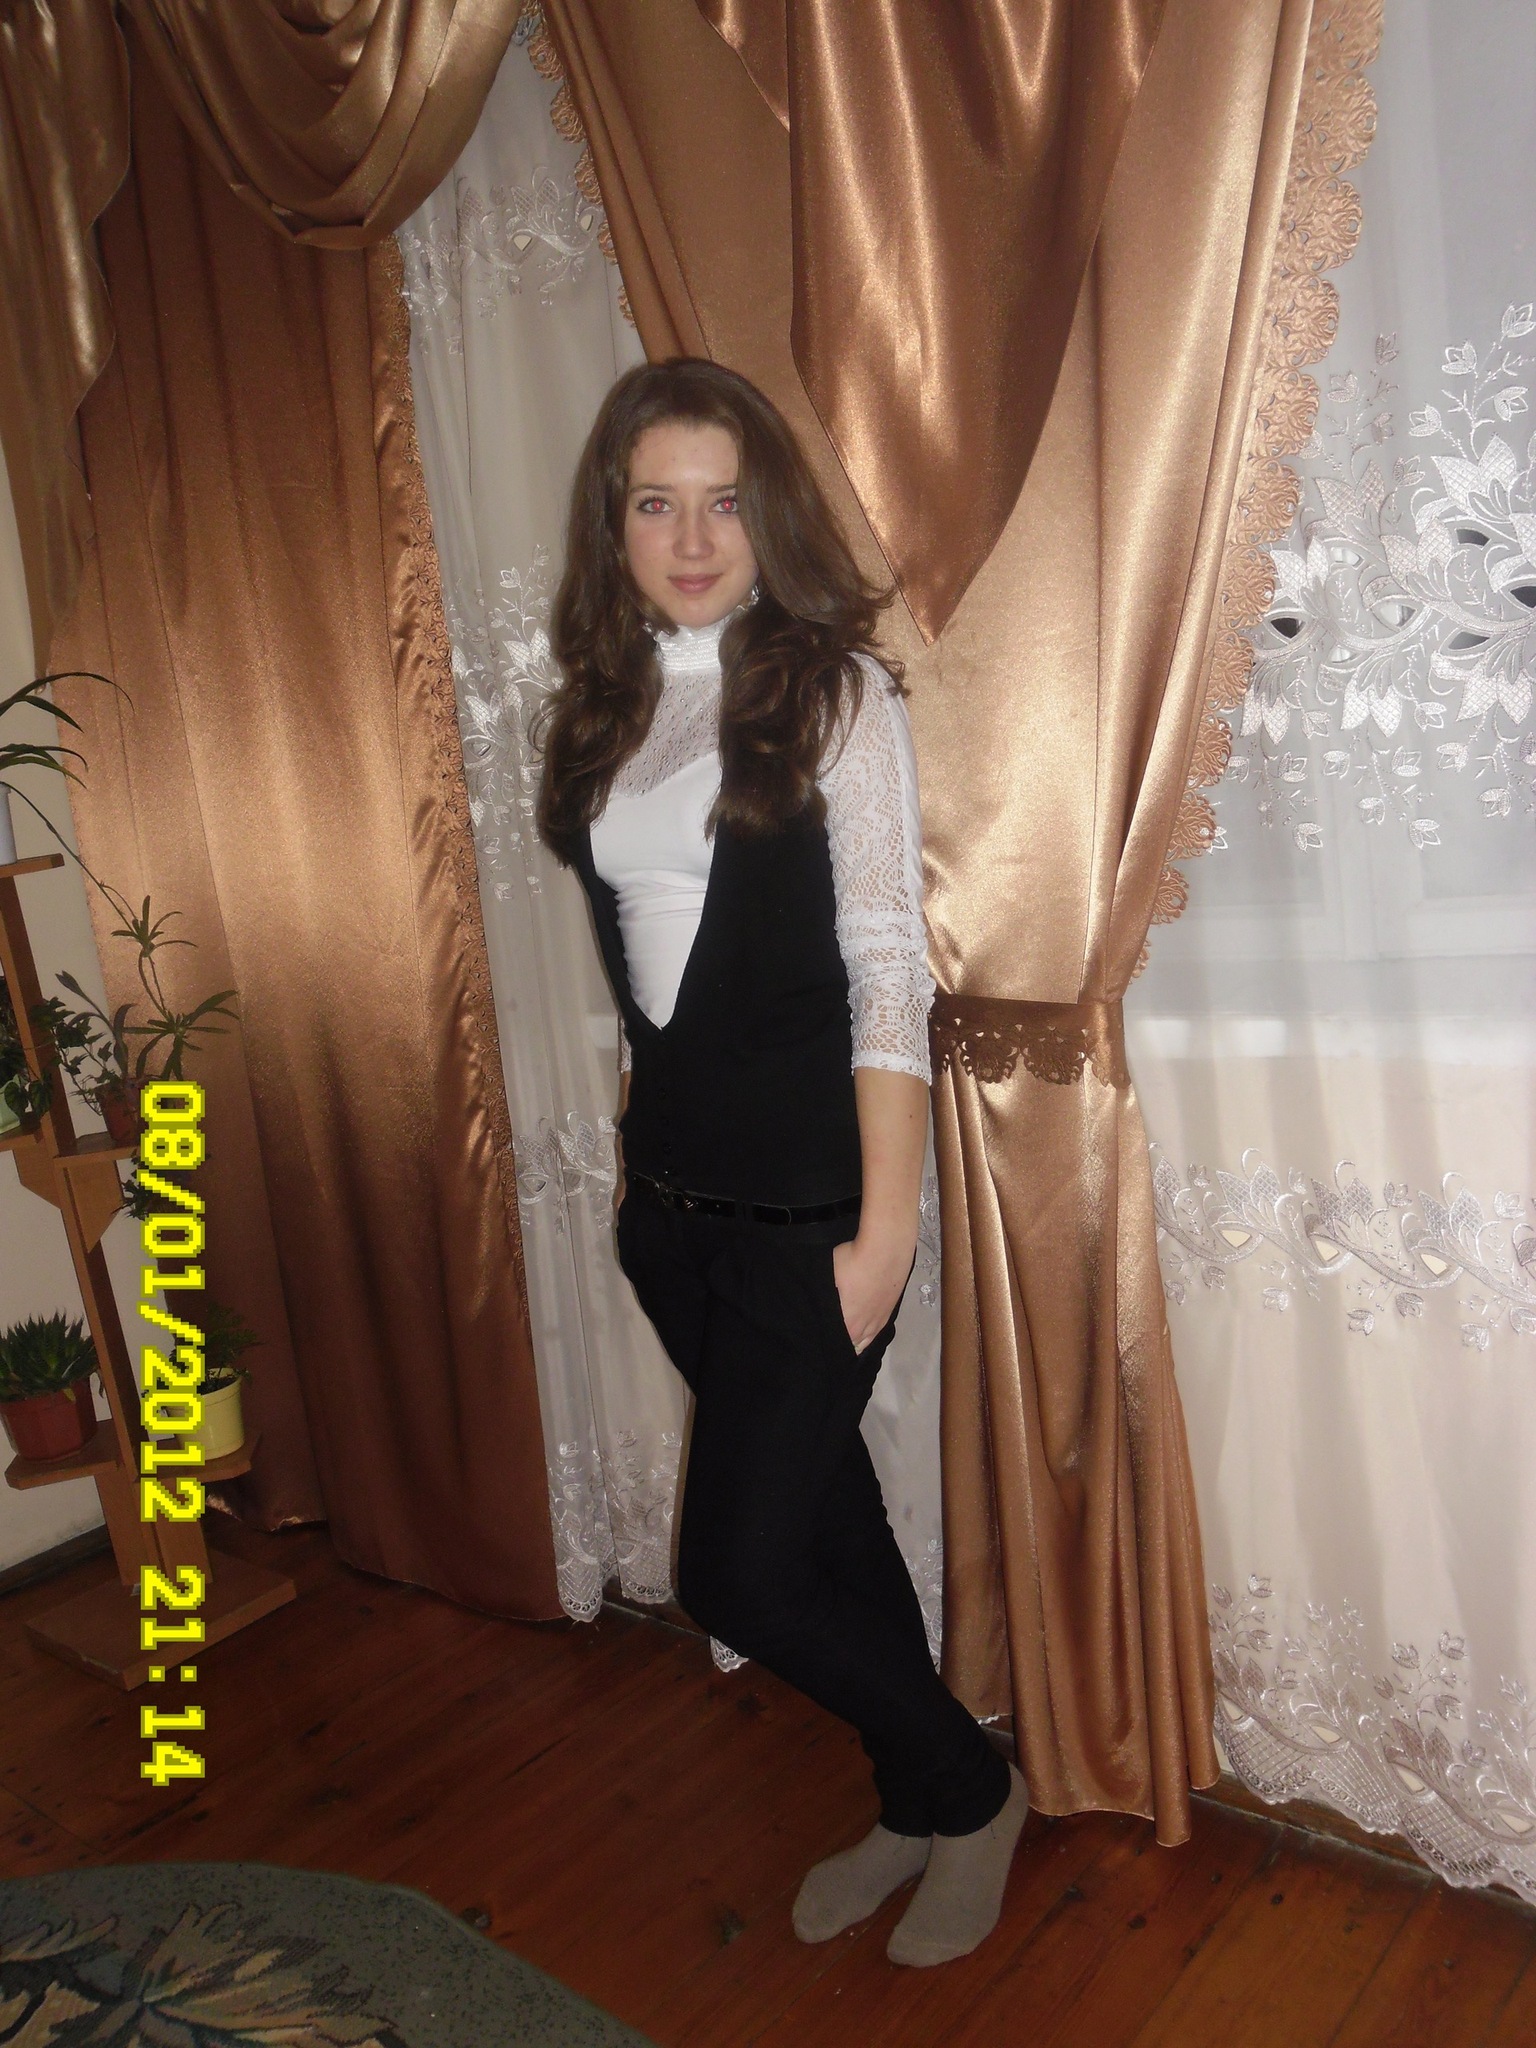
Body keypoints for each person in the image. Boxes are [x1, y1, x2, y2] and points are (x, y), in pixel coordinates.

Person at [536, 358, 1028, 1967]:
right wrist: (635, 1173)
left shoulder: (832, 694)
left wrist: (889, 1230)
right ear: (614, 524)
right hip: (673, 1217)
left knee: (739, 1576)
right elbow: (648, 965)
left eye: (726, 503)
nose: (692, 540)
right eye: (656, 503)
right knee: (828, 1526)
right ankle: (912, 1800)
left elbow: (888, 969)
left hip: (816, 1217)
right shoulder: (607, 709)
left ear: (772, 520)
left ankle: (975, 1790)